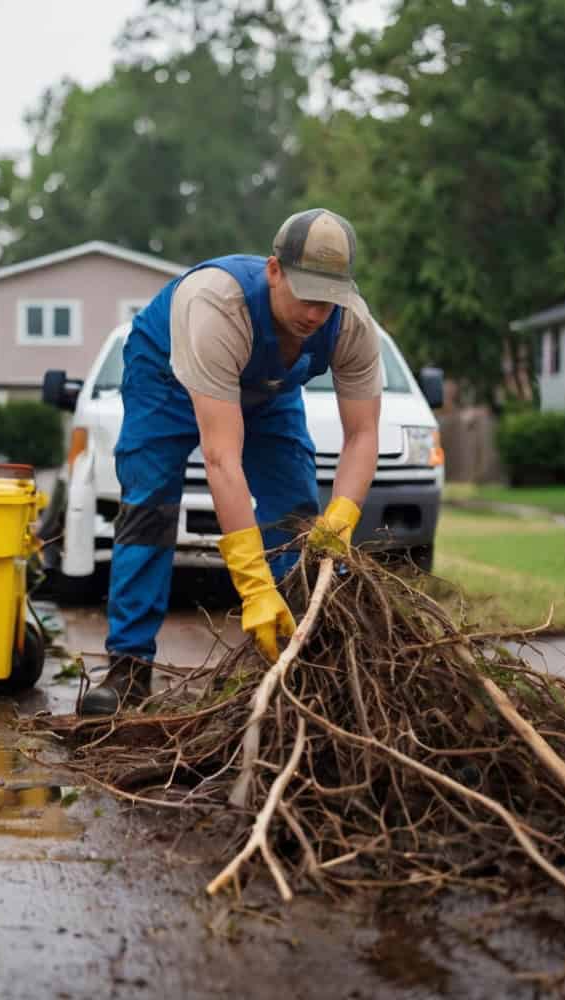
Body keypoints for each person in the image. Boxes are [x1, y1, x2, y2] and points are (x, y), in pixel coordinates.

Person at [79, 208, 382, 716]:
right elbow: (222, 458)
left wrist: (343, 517)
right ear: (274, 270)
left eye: (328, 302)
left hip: (266, 389)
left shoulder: (351, 324)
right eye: (306, 296)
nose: (315, 314)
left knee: (295, 511)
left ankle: (300, 654)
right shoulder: (219, 303)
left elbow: (363, 434)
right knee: (150, 507)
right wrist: (252, 582)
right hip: (166, 375)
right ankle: (128, 667)